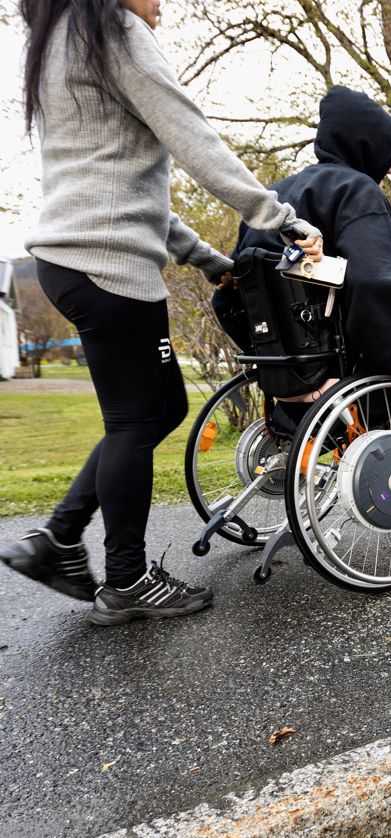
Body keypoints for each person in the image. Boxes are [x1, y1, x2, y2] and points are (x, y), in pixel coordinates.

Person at [0, 0, 323, 625]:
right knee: (133, 421)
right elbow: (191, 133)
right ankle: (124, 580)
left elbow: (129, 192)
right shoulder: (113, 29)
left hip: (71, 261)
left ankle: (59, 539)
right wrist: (282, 218)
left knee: (160, 408)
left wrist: (208, 260)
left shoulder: (64, 40)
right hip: (109, 266)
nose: (163, 4)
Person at [220, 86, 391, 534]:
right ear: (369, 149)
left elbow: (228, 296)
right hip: (352, 388)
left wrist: (278, 365)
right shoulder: (357, 190)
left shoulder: (273, 198)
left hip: (289, 394)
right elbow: (371, 288)